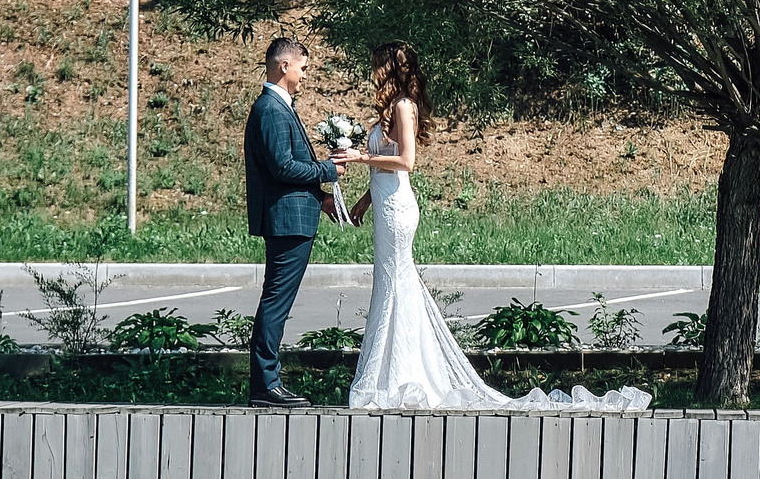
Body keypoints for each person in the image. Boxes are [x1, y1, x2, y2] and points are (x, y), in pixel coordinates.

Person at [337, 43, 647, 411]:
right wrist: (362, 200)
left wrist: (360, 156)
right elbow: (383, 170)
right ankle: (396, 370)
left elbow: (406, 161)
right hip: (384, 206)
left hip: (399, 211)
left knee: (396, 284)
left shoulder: (405, 106)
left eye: (376, 65)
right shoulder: (389, 111)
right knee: (390, 284)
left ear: (389, 68)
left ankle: (402, 376)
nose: (372, 71)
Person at [242, 36, 337, 409]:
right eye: (302, 67)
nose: (304, 75)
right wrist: (329, 169)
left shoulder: (280, 107)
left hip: (295, 215)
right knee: (276, 301)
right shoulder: (270, 109)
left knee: (277, 299)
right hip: (286, 220)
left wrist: (321, 196)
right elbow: (282, 166)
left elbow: (285, 168)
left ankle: (266, 381)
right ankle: (266, 383)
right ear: (284, 66)